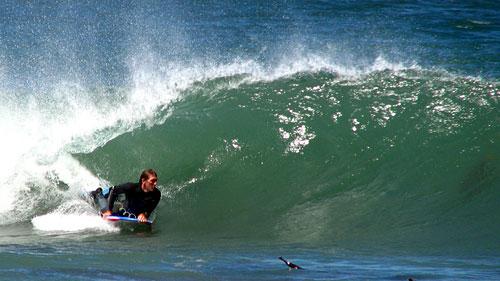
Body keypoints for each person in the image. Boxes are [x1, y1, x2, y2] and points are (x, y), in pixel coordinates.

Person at [92, 169, 161, 223]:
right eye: (152, 181)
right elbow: (113, 191)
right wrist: (108, 210)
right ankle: (98, 193)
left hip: (121, 199)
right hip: (109, 193)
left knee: (122, 201)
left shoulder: (156, 194)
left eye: (156, 181)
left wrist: (144, 215)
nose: (155, 183)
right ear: (143, 180)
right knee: (104, 207)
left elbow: (150, 209)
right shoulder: (131, 187)